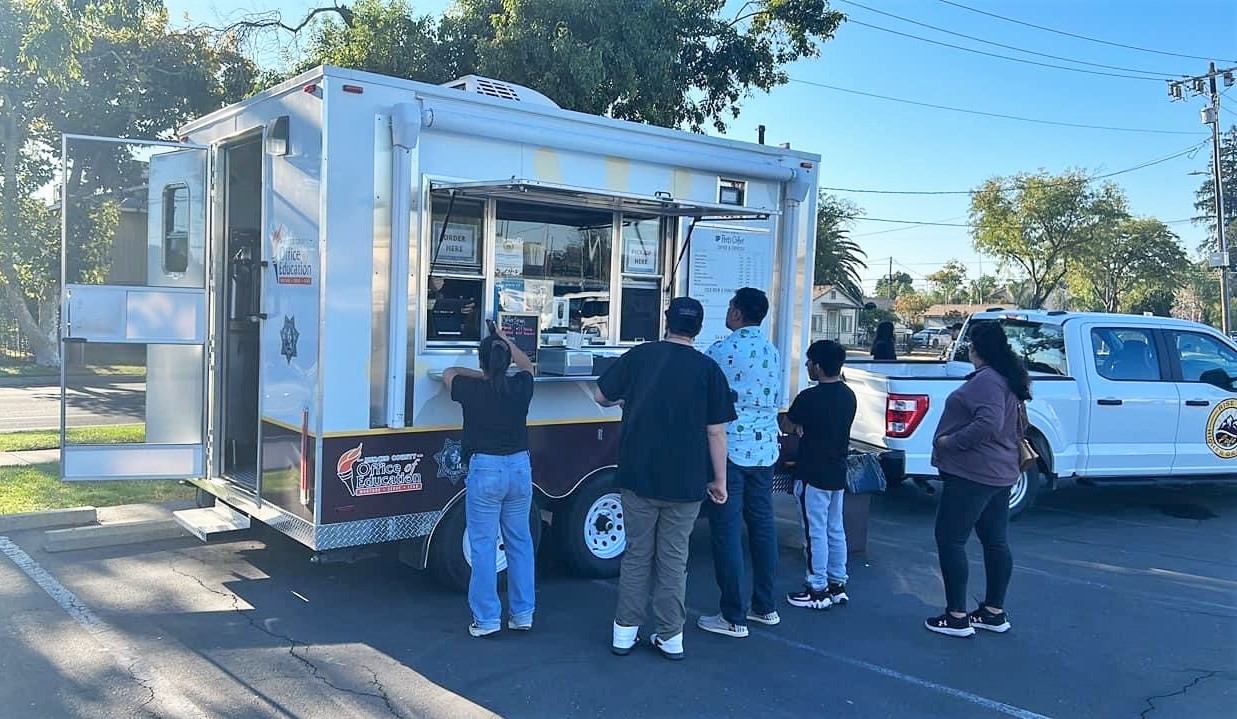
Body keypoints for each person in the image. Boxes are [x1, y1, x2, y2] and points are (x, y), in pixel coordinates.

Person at [593, 297, 735, 660]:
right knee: (674, 559)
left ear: (666, 321)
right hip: (687, 482)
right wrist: (720, 480)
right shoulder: (708, 369)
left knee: (637, 554)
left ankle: (624, 633)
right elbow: (716, 432)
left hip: (638, 475)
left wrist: (625, 402)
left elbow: (600, 395)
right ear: (699, 329)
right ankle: (671, 637)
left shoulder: (639, 357)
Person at [925, 321, 1030, 638]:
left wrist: (950, 442)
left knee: (950, 539)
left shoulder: (987, 381)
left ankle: (956, 616)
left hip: (973, 472)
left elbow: (988, 422)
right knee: (995, 541)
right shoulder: (1008, 378)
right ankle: (993, 612)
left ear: (974, 348)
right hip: (1000, 472)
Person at [698, 288, 783, 638]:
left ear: (737, 313)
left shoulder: (721, 350)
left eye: (731, 306)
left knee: (727, 530)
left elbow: (702, 393)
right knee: (763, 527)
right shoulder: (772, 350)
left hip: (729, 451)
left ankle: (732, 615)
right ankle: (765, 606)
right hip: (765, 452)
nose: (729, 311)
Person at [443, 325, 536, 638]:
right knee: (520, 542)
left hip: (485, 471)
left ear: (482, 364)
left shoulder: (471, 389)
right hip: (519, 468)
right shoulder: (521, 386)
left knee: (483, 546)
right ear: (507, 362)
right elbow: (528, 365)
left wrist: (483, 373)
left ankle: (487, 620)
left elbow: (449, 371)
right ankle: (523, 614)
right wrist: (505, 340)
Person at [779, 340, 856, 611]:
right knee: (836, 529)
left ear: (819, 367)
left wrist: (799, 425)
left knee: (814, 531)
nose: (808, 366)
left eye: (810, 362)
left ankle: (816, 588)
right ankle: (837, 583)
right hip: (837, 470)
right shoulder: (849, 396)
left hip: (812, 472)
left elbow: (788, 424)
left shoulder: (808, 398)